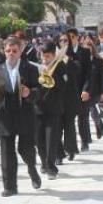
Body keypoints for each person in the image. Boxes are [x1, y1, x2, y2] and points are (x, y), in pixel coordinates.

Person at [0, 37, 42, 196]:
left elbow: (39, 91)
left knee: (26, 149)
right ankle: (10, 186)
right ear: (4, 51)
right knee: (6, 154)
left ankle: (32, 169)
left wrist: (30, 93)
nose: (11, 54)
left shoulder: (30, 68)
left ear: (20, 51)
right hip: (5, 116)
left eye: (14, 51)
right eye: (8, 51)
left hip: (25, 114)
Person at [34, 42, 66, 179]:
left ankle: (51, 167)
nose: (45, 59)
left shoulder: (60, 65)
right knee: (38, 139)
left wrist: (51, 75)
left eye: (47, 56)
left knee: (51, 139)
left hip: (54, 108)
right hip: (38, 107)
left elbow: (64, 85)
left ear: (53, 55)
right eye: (43, 56)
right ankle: (44, 162)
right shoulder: (38, 67)